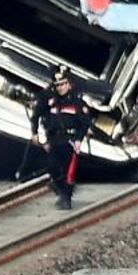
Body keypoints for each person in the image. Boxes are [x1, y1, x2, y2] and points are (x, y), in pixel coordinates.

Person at [31, 65, 93, 210]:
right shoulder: (49, 100)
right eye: (57, 85)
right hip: (53, 139)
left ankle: (66, 198)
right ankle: (61, 190)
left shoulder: (77, 102)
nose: (60, 88)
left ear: (69, 84)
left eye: (63, 84)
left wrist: (79, 139)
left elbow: (85, 123)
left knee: (68, 172)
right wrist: (35, 133)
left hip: (70, 140)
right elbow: (36, 115)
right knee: (52, 168)